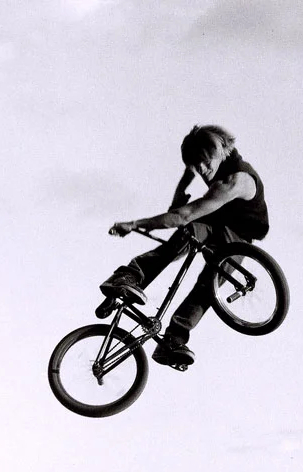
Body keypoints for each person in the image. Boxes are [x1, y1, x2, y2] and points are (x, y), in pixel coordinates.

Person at [96, 125, 269, 368]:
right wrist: (178, 194)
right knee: (183, 239)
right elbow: (188, 175)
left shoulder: (235, 181)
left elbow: (183, 215)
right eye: (197, 165)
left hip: (240, 232)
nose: (202, 171)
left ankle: (173, 339)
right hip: (214, 218)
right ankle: (128, 277)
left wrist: (135, 224)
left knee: (209, 285)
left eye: (205, 164)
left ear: (219, 153)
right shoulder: (205, 157)